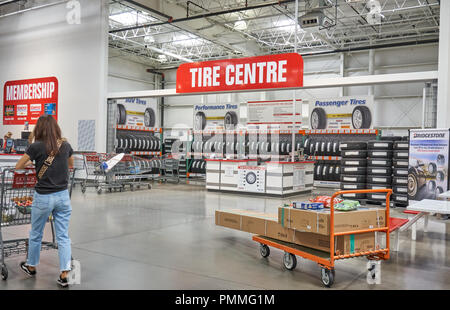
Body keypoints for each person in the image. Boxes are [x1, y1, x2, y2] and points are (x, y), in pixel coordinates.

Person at [15, 115, 74, 287]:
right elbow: (70, 163)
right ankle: (65, 273)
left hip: (43, 197)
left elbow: (18, 166)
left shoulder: (35, 147)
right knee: (63, 235)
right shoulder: (66, 145)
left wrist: (34, 163)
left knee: (36, 233)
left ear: (38, 129)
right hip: (63, 196)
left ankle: (31, 266)